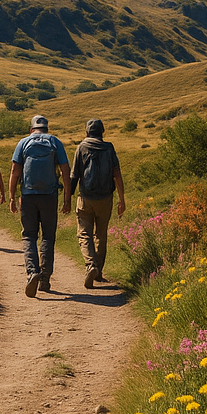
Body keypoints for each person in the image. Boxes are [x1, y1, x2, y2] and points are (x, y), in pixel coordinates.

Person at [9, 114, 70, 297]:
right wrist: (67, 199)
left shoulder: (23, 143)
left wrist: (12, 196)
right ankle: (44, 279)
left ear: (31, 129)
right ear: (46, 128)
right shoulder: (55, 142)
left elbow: (15, 170)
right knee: (48, 237)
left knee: (28, 236)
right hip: (49, 196)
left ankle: (32, 273)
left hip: (28, 195)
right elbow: (65, 171)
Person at [69, 118, 126, 288]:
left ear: (86, 132)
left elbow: (74, 175)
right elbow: (117, 174)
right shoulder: (109, 148)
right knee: (101, 234)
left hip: (86, 198)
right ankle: (98, 272)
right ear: (102, 132)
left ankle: (90, 265)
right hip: (105, 198)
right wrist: (122, 200)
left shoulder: (81, 147)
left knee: (84, 234)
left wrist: (67, 197)